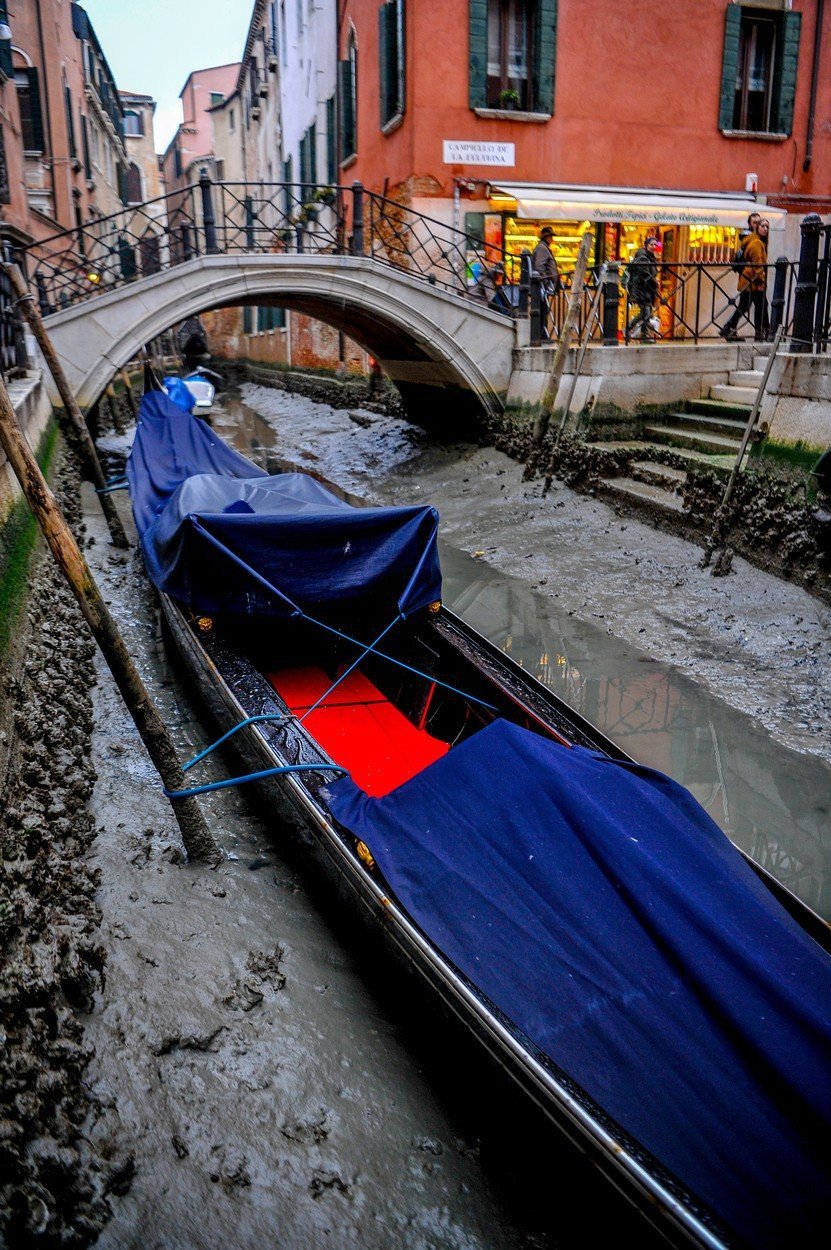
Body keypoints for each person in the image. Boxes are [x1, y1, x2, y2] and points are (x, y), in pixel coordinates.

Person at [719, 213, 768, 341]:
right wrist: (762, 279)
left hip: (749, 280)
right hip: (753, 281)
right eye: (756, 223)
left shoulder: (752, 240)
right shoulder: (755, 241)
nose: (761, 227)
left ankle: (729, 328)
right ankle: (762, 333)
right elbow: (757, 263)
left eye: (762, 223)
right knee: (760, 306)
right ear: (750, 225)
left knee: (747, 306)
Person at [626, 236, 661, 341]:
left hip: (647, 288)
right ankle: (637, 332)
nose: (653, 246)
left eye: (655, 244)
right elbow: (644, 273)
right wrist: (656, 283)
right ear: (646, 245)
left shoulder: (650, 256)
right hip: (642, 288)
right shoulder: (643, 256)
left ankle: (643, 334)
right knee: (646, 312)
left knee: (647, 312)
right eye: (651, 244)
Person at [531, 225, 561, 338]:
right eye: (551, 237)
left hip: (543, 287)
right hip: (542, 287)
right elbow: (540, 267)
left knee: (543, 310)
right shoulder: (542, 248)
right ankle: (541, 335)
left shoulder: (543, 248)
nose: (552, 239)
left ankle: (542, 334)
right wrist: (546, 283)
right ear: (546, 237)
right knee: (542, 310)